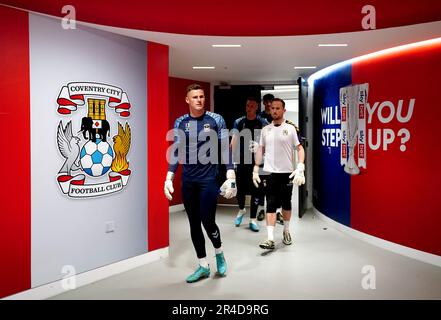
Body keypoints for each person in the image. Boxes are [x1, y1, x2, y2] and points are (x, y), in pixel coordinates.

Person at [164, 84, 236, 283]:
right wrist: (169, 176)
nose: (199, 99)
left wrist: (230, 172)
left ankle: (219, 253)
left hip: (208, 180)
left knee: (208, 221)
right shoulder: (180, 121)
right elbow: (176, 150)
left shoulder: (216, 119)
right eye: (194, 97)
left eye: (202, 96)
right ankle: (203, 265)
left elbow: (224, 148)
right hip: (188, 180)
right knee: (194, 224)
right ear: (187, 100)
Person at [253, 98, 305, 249]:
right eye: (272, 108)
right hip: (270, 173)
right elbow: (260, 150)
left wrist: (300, 166)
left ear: (283, 110)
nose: (274, 111)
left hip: (287, 173)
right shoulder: (265, 130)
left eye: (277, 108)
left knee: (286, 203)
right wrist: (256, 168)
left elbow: (300, 148)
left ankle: (286, 231)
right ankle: (270, 238)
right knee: (270, 203)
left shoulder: (291, 129)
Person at [231, 97, 269, 232]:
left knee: (256, 190)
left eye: (252, 106)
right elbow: (233, 142)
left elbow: (268, 142)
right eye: (248, 105)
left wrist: (260, 147)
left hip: (256, 162)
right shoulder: (239, 122)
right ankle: (241, 210)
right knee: (240, 189)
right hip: (242, 161)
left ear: (257, 107)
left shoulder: (263, 122)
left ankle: (253, 219)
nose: (249, 108)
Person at [257, 93, 284, 225]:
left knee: (277, 186)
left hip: (278, 157)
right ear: (263, 102)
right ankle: (262, 209)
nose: (268, 105)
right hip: (263, 157)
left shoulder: (279, 117)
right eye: (266, 102)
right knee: (262, 185)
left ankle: (278, 211)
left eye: (270, 102)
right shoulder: (259, 118)